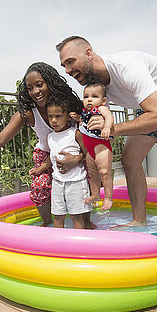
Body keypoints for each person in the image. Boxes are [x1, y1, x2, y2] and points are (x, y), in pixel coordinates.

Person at [56, 36, 157, 226]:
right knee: (130, 159)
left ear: (89, 53)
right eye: (63, 65)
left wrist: (112, 129)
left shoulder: (127, 68)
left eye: (70, 61)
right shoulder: (97, 86)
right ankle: (139, 221)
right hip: (150, 105)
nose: (67, 70)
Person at [0, 62, 86, 227]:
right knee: (39, 185)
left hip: (76, 153)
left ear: (51, 83)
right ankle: (48, 224)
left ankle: (86, 222)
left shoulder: (69, 106)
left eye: (39, 85)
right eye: (30, 88)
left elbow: (92, 136)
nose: (35, 92)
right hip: (46, 156)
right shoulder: (28, 113)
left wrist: (78, 159)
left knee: (87, 176)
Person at [46, 95, 92, 229]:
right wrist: (41, 168)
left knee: (76, 215)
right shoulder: (50, 136)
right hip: (58, 182)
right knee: (58, 215)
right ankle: (58, 245)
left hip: (76, 181)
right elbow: (52, 157)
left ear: (68, 116)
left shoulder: (75, 133)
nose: (54, 120)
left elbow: (87, 153)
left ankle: (80, 245)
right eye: (50, 117)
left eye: (58, 116)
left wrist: (76, 160)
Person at [74, 79, 114, 211]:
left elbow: (109, 117)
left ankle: (108, 197)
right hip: (90, 149)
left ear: (103, 100)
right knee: (92, 173)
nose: (89, 100)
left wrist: (107, 127)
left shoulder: (101, 108)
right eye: (86, 97)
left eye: (94, 96)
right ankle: (96, 194)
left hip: (101, 146)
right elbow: (84, 122)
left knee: (104, 172)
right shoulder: (85, 112)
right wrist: (77, 118)